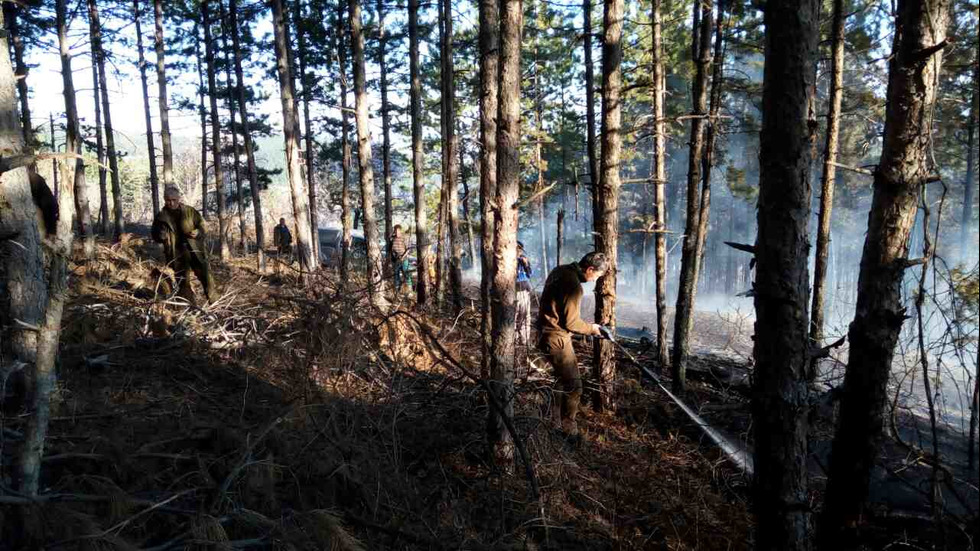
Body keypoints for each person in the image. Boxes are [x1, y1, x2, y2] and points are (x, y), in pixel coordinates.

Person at [537, 252, 612, 438]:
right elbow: (572, 323)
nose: (595, 280)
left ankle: (551, 422)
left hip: (544, 333)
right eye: (596, 276)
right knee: (574, 386)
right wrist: (593, 329)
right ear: (589, 269)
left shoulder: (560, 270)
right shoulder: (574, 286)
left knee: (558, 382)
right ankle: (568, 430)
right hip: (557, 339)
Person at [151, 185, 216, 303]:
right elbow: (155, 235)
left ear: (179, 198)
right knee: (183, 284)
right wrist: (160, 236)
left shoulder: (190, 211)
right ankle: (189, 310)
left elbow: (203, 226)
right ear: (164, 199)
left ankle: (216, 305)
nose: (171, 203)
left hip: (195, 251)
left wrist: (198, 232)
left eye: (173, 200)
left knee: (207, 279)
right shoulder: (161, 217)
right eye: (168, 200)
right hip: (176, 255)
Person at [515, 242, 533, 364]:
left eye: (520, 249)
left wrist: (526, 265)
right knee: (515, 315)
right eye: (517, 249)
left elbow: (530, 274)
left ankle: (524, 340)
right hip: (515, 290)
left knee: (525, 316)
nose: (519, 251)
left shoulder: (523, 260)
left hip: (525, 290)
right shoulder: (509, 261)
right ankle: (514, 340)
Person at [390, 225, 413, 292]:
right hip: (396, 260)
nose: (397, 232)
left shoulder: (404, 238)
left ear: (400, 230)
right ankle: (397, 290)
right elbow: (391, 249)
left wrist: (403, 257)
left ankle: (410, 290)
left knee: (406, 274)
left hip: (404, 259)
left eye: (398, 231)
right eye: (395, 231)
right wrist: (393, 258)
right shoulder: (392, 238)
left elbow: (408, 249)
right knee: (396, 275)